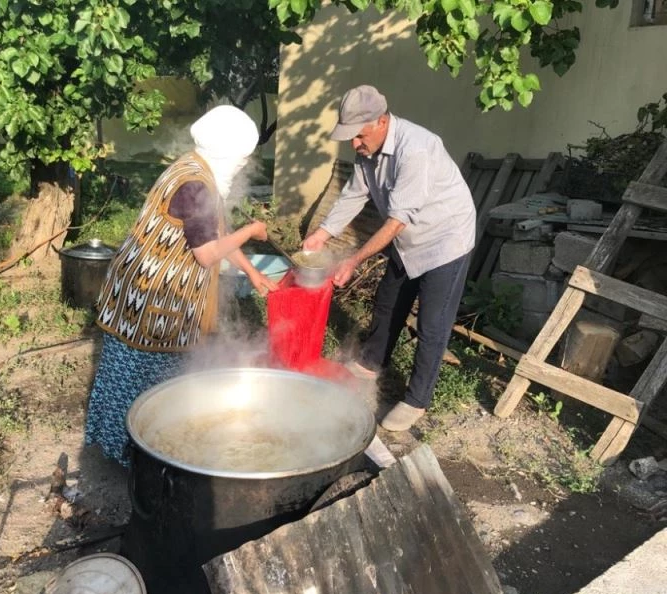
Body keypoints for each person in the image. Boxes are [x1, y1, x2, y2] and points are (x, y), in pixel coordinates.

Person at [85, 105, 278, 465]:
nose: (241, 165)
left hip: (144, 285)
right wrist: (252, 232)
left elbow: (215, 230)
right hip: (152, 295)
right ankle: (136, 457)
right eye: (240, 157)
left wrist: (251, 272)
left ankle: (140, 451)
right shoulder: (195, 184)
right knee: (142, 381)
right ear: (225, 151)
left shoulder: (194, 167)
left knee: (147, 378)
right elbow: (207, 253)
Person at [303, 85, 475, 432]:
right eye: (350, 137)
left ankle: (417, 400)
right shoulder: (368, 151)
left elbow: (396, 222)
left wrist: (353, 260)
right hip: (408, 235)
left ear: (382, 121)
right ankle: (370, 362)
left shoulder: (417, 150)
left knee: (432, 323)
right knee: (387, 302)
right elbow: (355, 194)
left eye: (359, 135)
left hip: (445, 239)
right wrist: (322, 233)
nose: (354, 144)